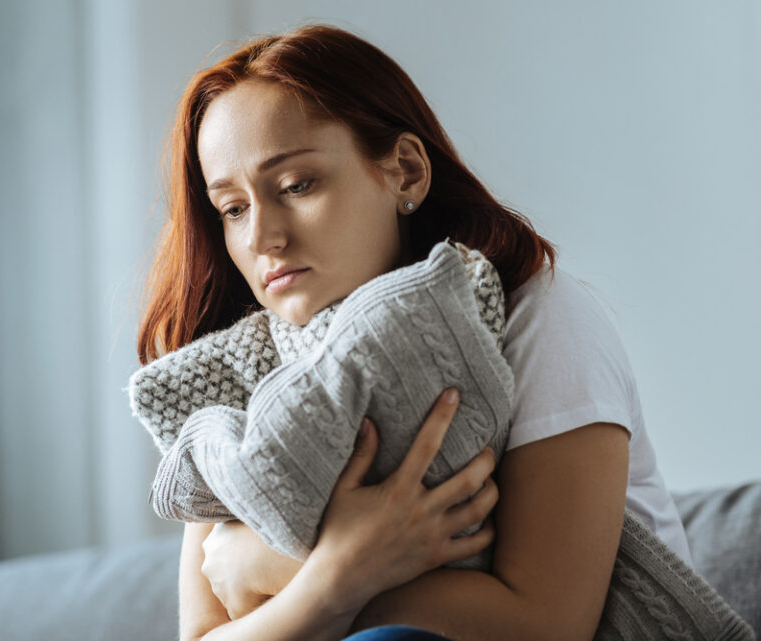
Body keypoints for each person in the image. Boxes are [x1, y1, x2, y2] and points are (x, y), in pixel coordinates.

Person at [135, 22, 692, 641]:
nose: (263, 237)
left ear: (404, 172)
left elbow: (549, 625)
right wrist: (334, 577)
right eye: (233, 209)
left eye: (297, 185)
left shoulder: (534, 316)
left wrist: (300, 569)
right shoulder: (233, 377)